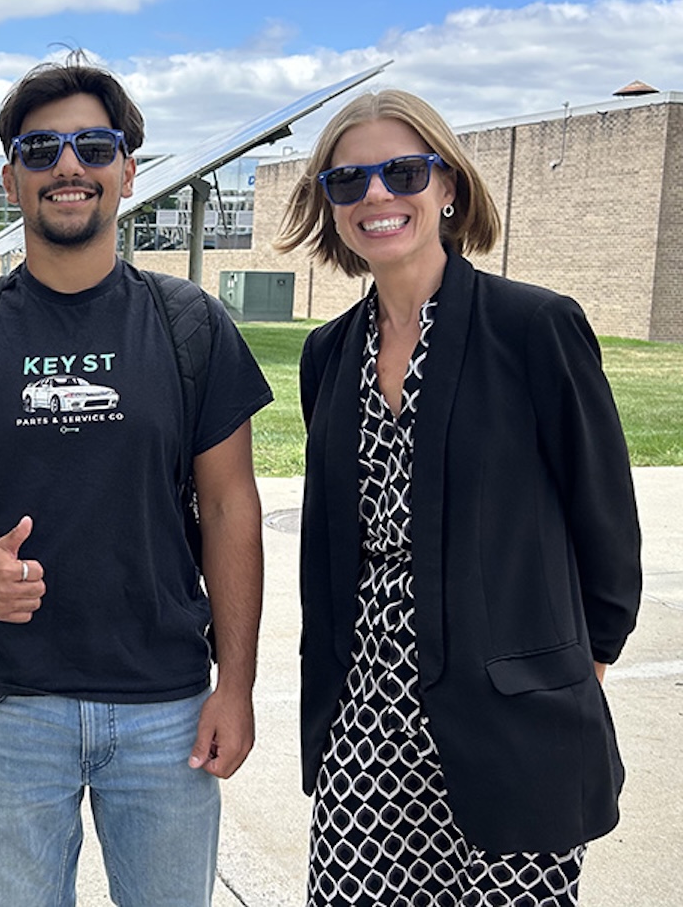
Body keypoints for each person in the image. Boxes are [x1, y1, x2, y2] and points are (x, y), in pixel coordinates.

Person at [0, 55, 273, 906]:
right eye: (41, 150)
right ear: (12, 180)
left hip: (164, 706)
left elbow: (230, 505)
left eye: (94, 147)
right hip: (13, 703)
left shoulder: (190, 324)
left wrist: (236, 686)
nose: (69, 166)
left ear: (127, 171)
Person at [274, 89, 642, 906]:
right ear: (330, 204)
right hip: (365, 715)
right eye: (348, 180)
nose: (376, 194)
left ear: (448, 186)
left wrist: (580, 668)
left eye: (403, 171)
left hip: (511, 713)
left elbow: (606, 517)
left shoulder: (534, 327)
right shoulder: (327, 354)